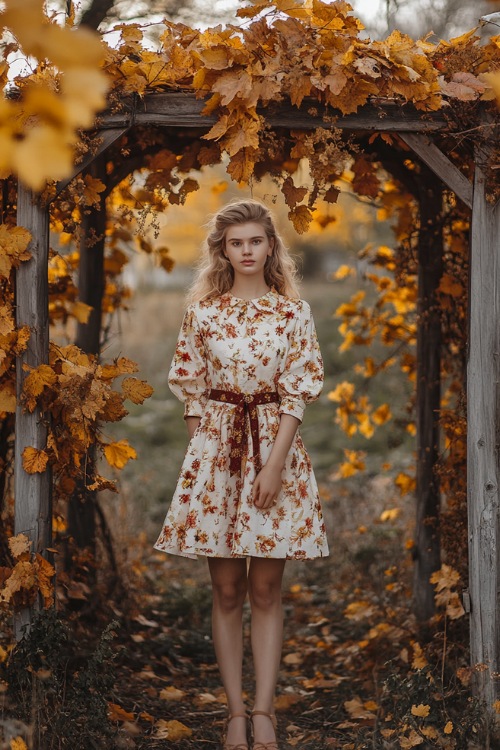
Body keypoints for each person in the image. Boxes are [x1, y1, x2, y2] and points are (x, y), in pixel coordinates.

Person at [154, 199, 329, 750]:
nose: (247, 251)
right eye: (237, 243)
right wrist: (207, 466)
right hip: (216, 458)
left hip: (276, 450)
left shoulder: (291, 314)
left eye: (256, 241)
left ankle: (264, 712)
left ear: (271, 246)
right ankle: (233, 712)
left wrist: (273, 466)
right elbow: (190, 389)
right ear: (223, 251)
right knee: (226, 590)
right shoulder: (203, 313)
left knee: (266, 588)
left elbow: (299, 393)